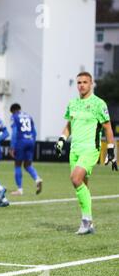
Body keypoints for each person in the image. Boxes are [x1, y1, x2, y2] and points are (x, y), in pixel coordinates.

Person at [55, 72, 117, 235]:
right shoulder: (73, 103)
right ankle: (89, 222)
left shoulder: (98, 103)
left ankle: (85, 222)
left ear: (91, 84)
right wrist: (62, 139)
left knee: (75, 179)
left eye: (85, 82)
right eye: (79, 82)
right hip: (74, 150)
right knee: (83, 186)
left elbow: (108, 128)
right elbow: (69, 125)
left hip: (90, 149)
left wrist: (111, 149)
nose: (81, 85)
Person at [9, 103, 43, 195]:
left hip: (21, 141)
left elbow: (15, 132)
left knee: (17, 164)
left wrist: (12, 146)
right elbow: (34, 132)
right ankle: (37, 179)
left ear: (12, 111)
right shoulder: (28, 116)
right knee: (27, 165)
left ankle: (19, 189)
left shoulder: (14, 117)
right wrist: (32, 141)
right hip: (31, 140)